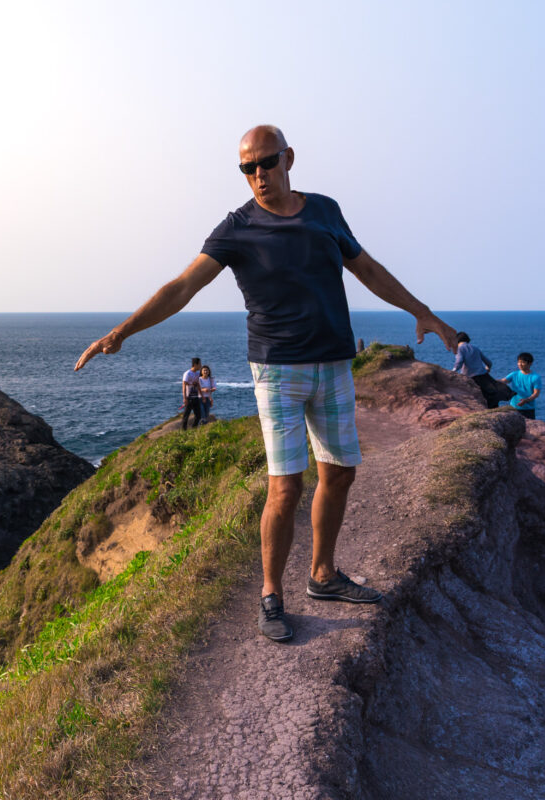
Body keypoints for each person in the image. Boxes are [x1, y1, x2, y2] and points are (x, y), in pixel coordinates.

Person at [74, 124, 457, 643]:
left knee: (340, 472)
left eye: (266, 164)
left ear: (289, 158)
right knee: (286, 485)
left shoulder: (325, 211)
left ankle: (323, 575)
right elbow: (183, 285)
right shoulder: (237, 228)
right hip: (276, 370)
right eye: (247, 169)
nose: (258, 176)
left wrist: (423, 312)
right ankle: (271, 596)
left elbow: (367, 268)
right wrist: (122, 332)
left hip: (334, 362)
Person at [451, 331, 499, 409]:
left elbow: (459, 361)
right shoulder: (475, 348)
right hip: (483, 375)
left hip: (471, 377)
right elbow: (488, 362)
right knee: (488, 396)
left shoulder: (459, 349)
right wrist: (488, 368)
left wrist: (453, 371)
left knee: (473, 399)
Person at [501, 352, 541, 420]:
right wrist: (487, 379)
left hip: (528, 409)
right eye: (519, 362)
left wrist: (526, 400)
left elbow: (536, 394)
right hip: (513, 408)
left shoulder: (535, 377)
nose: (520, 364)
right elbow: (503, 381)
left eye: (523, 362)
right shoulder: (514, 374)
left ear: (530, 363)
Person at [181, 357, 203, 429]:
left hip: (196, 397)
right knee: (186, 416)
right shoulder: (187, 373)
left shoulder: (197, 374)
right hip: (189, 397)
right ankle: (183, 431)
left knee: (198, 416)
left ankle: (193, 429)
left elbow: (198, 385)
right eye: (199, 364)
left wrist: (202, 396)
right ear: (195, 364)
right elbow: (184, 386)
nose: (201, 365)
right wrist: (184, 398)